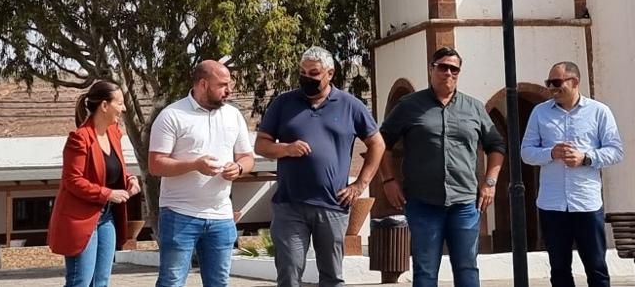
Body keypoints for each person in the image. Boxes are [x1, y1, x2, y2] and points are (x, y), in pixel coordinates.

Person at [255, 47, 386, 287]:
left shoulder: (351, 105)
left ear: (330, 73)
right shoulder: (283, 103)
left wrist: (360, 184)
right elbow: (261, 145)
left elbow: (377, 144)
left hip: (332, 205)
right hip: (289, 205)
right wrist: (286, 148)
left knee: (331, 276)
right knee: (289, 273)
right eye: (302, 72)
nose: (307, 78)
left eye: (314, 73)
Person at [379, 47, 505, 287]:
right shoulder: (409, 105)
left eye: (454, 68)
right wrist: (388, 180)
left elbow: (496, 146)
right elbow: (381, 144)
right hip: (423, 203)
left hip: (465, 203)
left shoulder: (474, 107)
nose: (448, 72)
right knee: (425, 272)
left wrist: (490, 183)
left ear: (459, 72)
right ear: (431, 69)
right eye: (442, 67)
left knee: (467, 268)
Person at [149, 60, 255, 287]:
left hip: (221, 217)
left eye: (230, 84)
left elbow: (248, 158)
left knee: (219, 283)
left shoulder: (233, 115)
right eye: (223, 85)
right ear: (203, 84)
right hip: (179, 214)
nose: (229, 90)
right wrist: (195, 164)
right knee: (171, 282)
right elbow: (155, 165)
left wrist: (238, 168)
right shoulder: (172, 115)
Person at [521, 61, 623, 287]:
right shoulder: (540, 112)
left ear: (574, 82)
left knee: (597, 268)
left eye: (556, 83)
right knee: (559, 270)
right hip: (552, 204)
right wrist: (551, 153)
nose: (551, 88)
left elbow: (616, 151)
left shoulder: (599, 111)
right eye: (549, 83)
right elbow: (526, 152)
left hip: (586, 202)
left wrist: (586, 158)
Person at [47, 80, 141, 287]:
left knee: (100, 282)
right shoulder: (79, 138)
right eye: (120, 103)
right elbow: (73, 181)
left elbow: (112, 171)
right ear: (104, 106)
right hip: (81, 219)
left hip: (107, 218)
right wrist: (107, 194)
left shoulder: (114, 133)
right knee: (80, 281)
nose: (124, 108)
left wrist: (129, 180)